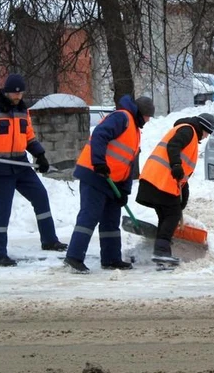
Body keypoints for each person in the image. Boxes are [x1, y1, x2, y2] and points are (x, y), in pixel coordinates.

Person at [0, 74, 67, 267]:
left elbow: (28, 136)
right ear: (6, 92)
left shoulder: (22, 111)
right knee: (2, 210)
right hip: (0, 168)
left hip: (21, 165)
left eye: (20, 94)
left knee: (40, 196)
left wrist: (40, 155)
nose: (18, 97)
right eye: (14, 93)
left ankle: (49, 240)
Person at [64, 95, 154, 273]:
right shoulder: (121, 117)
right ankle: (74, 257)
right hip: (95, 174)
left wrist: (124, 190)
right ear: (140, 113)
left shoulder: (135, 131)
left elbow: (127, 163)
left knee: (111, 220)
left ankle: (111, 259)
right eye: (147, 116)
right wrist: (99, 162)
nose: (148, 120)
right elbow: (99, 135)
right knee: (90, 216)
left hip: (112, 181)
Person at [136, 113, 214, 264]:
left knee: (166, 216)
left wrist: (184, 192)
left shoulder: (188, 133)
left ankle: (162, 252)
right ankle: (161, 252)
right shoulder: (188, 130)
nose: (206, 137)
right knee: (172, 215)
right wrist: (176, 165)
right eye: (207, 133)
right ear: (203, 128)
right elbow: (173, 146)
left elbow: (183, 171)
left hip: (156, 179)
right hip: (161, 181)